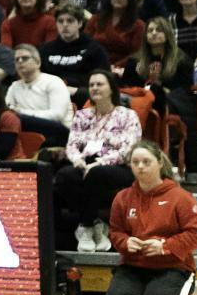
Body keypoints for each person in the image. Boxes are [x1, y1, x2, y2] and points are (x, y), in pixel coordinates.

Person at [103, 141, 197, 295]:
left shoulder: (181, 197)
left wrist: (164, 246)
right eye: (135, 163)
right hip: (134, 266)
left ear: (160, 163)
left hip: (173, 267)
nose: (140, 167)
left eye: (146, 162)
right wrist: (125, 242)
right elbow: (116, 232)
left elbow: (196, 235)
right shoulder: (123, 197)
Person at [58, 70, 143, 252]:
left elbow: (128, 148)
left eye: (99, 84)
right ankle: (95, 225)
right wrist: (78, 160)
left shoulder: (127, 115)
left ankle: (86, 227)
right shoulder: (82, 115)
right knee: (64, 175)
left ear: (111, 88)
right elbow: (72, 144)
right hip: (86, 162)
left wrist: (99, 163)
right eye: (91, 85)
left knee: (97, 174)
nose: (94, 88)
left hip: (118, 165)